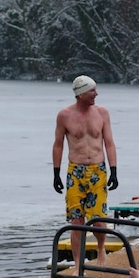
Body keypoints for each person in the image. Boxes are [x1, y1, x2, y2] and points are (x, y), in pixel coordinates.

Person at [52, 75, 118, 267]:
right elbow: (58, 145)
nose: (96, 94)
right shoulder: (64, 115)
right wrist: (56, 174)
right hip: (75, 172)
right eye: (92, 91)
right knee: (77, 221)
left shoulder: (102, 113)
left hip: (97, 170)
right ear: (80, 94)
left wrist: (113, 170)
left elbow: (109, 143)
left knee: (98, 219)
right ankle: (78, 264)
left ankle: (100, 248)